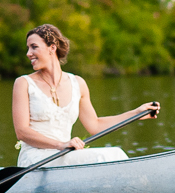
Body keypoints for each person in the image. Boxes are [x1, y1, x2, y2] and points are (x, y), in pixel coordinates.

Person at [12, 23, 157, 167]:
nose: (28, 53)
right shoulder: (23, 83)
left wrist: (136, 113)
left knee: (115, 153)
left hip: (64, 155)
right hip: (35, 159)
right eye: (28, 48)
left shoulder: (78, 83)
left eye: (34, 47)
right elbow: (22, 132)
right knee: (108, 155)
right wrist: (61, 145)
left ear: (52, 48)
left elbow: (95, 125)